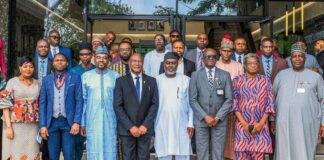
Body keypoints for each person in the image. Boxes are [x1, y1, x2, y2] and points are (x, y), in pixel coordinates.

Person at [272, 43, 324, 160]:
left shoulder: (315, 77)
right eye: (294, 56)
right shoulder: (281, 75)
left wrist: (323, 123)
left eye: (300, 56)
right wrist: (272, 119)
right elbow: (272, 98)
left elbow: (323, 101)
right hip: (284, 122)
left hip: (308, 122)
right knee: (284, 150)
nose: (297, 59)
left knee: (304, 150)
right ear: (290, 59)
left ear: (305, 58)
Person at [189, 48, 233, 160]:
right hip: (201, 120)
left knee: (218, 153)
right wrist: (205, 116)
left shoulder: (225, 75)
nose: (211, 58)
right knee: (201, 152)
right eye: (208, 56)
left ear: (217, 58)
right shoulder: (195, 75)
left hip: (219, 120)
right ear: (203, 59)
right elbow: (192, 99)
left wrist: (217, 117)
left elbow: (229, 99)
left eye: (213, 56)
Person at [114, 53, 159, 160]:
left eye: (139, 61)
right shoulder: (121, 81)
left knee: (144, 157)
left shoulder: (151, 81)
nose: (137, 64)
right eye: (134, 61)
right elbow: (118, 106)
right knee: (128, 157)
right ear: (129, 63)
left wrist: (145, 125)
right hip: (127, 129)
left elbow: (154, 104)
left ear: (142, 63)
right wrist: (130, 126)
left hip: (145, 129)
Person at [39, 53, 83, 160]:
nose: (59, 62)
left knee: (69, 155)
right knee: (53, 156)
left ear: (67, 63)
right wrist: (43, 125)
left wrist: (76, 122)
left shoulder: (75, 78)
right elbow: (42, 103)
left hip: (68, 123)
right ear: (53, 63)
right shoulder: (46, 80)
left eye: (62, 60)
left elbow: (79, 101)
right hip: (52, 122)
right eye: (57, 60)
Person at [232, 53, 275, 160]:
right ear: (245, 65)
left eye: (255, 63)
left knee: (259, 156)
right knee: (241, 155)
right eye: (249, 63)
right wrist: (244, 124)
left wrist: (261, 124)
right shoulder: (237, 80)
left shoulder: (266, 80)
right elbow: (234, 103)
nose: (252, 65)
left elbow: (270, 103)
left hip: (260, 125)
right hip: (242, 126)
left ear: (259, 65)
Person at [81, 46, 120, 160]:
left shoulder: (115, 76)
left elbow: (119, 102)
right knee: (94, 148)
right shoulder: (86, 76)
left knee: (111, 148)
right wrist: (83, 122)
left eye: (104, 57)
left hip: (111, 120)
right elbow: (83, 101)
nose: (101, 60)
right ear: (94, 59)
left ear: (108, 59)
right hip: (92, 119)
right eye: (98, 57)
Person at [155, 52, 194, 160]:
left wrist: (191, 123)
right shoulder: (157, 80)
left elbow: (191, 104)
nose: (170, 65)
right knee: (163, 153)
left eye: (173, 63)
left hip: (182, 123)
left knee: (182, 152)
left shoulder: (186, 80)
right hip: (161, 123)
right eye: (168, 63)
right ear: (164, 64)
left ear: (177, 64)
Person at [0, 56, 41, 160]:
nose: (28, 69)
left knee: (33, 152)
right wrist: (9, 127)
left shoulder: (38, 83)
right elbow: (5, 105)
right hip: (16, 126)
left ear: (34, 69)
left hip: (33, 126)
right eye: (25, 66)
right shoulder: (12, 82)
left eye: (31, 67)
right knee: (16, 153)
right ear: (20, 68)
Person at [216, 43, 243, 159]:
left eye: (229, 51)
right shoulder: (215, 64)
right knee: (219, 134)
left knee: (233, 133)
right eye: (224, 50)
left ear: (232, 52)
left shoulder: (238, 65)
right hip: (218, 105)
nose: (226, 53)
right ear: (220, 51)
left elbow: (241, 85)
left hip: (234, 104)